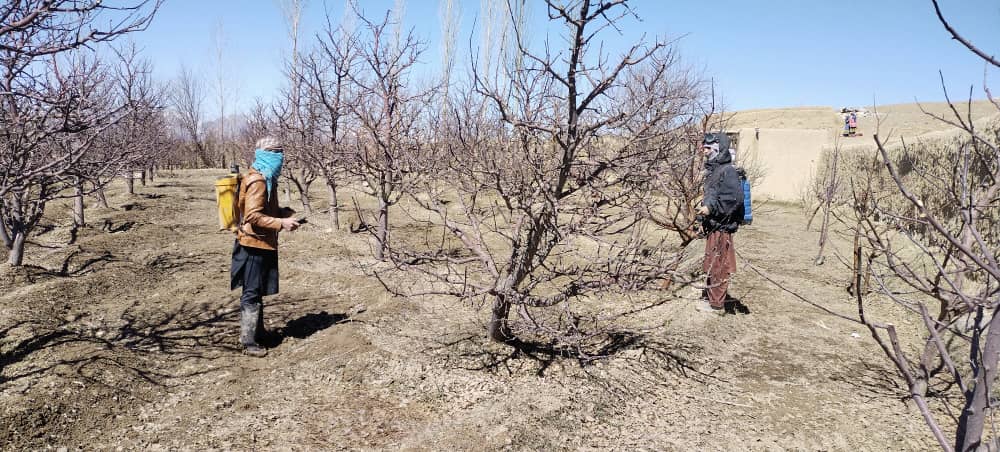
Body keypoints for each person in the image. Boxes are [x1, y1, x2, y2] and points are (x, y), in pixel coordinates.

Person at [230, 137, 300, 357]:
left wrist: (282, 213)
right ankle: (249, 341)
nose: (280, 157)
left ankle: (258, 334)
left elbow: (263, 210)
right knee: (251, 291)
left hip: (261, 241)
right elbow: (252, 216)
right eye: (276, 152)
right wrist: (281, 223)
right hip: (254, 243)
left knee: (257, 289)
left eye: (281, 152)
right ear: (266, 155)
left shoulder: (266, 178)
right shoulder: (259, 181)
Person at [695, 133, 745, 315]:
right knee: (712, 264)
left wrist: (711, 209)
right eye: (704, 148)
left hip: (722, 228)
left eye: (708, 148)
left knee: (719, 266)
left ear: (718, 149)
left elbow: (734, 199)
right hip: (715, 226)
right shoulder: (715, 171)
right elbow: (714, 194)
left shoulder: (727, 171)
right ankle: (712, 299)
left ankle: (717, 306)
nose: (704, 151)